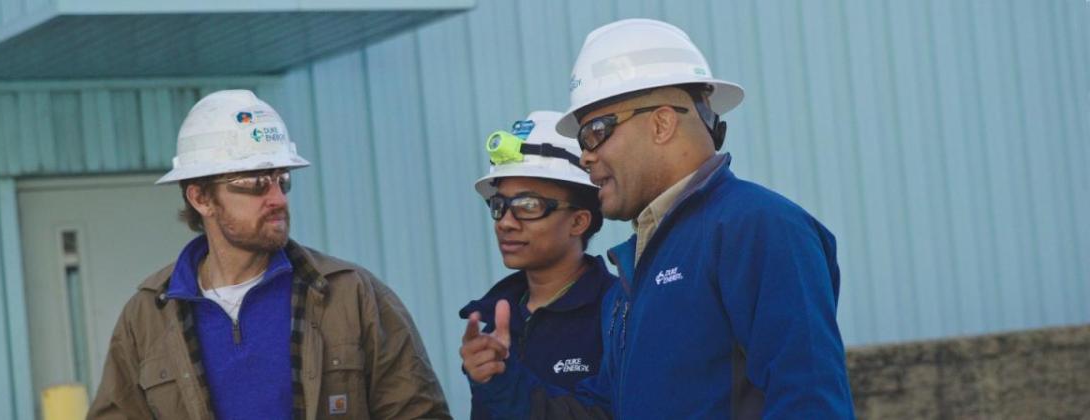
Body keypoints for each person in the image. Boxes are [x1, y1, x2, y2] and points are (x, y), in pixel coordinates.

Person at [460, 19, 855, 418]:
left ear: (662, 123)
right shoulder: (636, 270)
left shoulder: (757, 227)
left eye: (596, 131)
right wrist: (502, 381)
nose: (585, 156)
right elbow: (603, 412)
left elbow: (809, 401)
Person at [89, 89, 450, 419]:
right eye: (255, 183)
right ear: (200, 198)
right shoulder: (149, 315)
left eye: (282, 179)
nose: (277, 198)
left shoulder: (352, 296)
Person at [459, 111, 617, 420]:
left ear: (579, 221)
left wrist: (505, 383)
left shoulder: (616, 313)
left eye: (528, 206)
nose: (505, 223)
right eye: (499, 206)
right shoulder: (495, 322)